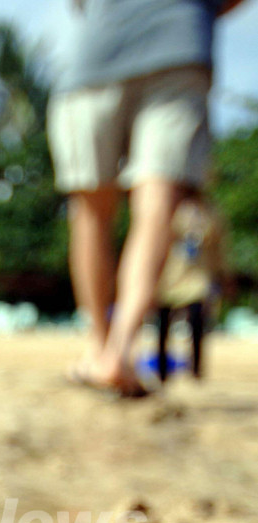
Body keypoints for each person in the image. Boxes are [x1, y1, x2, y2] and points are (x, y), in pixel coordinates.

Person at [48, 0, 246, 397]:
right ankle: (119, 350)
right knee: (155, 208)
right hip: (180, 43)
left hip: (97, 55)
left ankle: (101, 348)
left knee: (91, 214)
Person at [155, 192, 226, 380]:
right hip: (169, 274)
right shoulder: (169, 205)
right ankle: (162, 370)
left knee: (197, 322)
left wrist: (222, 274)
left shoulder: (210, 212)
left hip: (198, 275)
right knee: (162, 325)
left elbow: (219, 245)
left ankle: (196, 369)